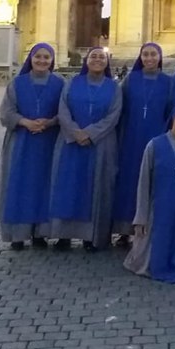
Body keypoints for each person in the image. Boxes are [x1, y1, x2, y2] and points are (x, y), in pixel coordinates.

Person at [47, 47, 122, 251]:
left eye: (101, 57)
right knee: (68, 186)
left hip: (101, 143)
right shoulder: (71, 83)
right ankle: (64, 235)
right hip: (71, 142)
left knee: (96, 189)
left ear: (107, 62)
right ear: (86, 61)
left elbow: (114, 116)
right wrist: (75, 132)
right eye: (93, 56)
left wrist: (90, 133)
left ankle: (92, 236)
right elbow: (63, 111)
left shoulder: (115, 88)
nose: (97, 60)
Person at [123, 102, 175, 282]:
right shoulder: (155, 145)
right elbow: (144, 182)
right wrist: (141, 217)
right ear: (173, 117)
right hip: (159, 206)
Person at [0, 43, 64, 250]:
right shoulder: (17, 83)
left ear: (52, 61)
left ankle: (40, 233)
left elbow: (65, 110)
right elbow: (6, 112)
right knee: (18, 185)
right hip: (21, 141)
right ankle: (18, 233)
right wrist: (25, 122)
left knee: (45, 186)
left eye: (46, 57)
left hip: (48, 141)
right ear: (31, 59)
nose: (42, 61)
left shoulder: (60, 83)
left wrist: (49, 122)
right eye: (38, 57)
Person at [113, 43, 172, 246]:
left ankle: (150, 227)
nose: (149, 58)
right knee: (129, 181)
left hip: (156, 136)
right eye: (145, 54)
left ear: (160, 57)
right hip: (132, 136)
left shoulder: (168, 81)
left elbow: (170, 111)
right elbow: (121, 107)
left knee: (153, 182)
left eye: (153, 54)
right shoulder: (130, 79)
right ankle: (124, 229)